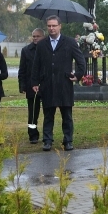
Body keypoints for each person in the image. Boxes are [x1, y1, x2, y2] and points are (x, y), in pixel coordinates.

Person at [30, 15, 86, 152]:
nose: (51, 28)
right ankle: (47, 140)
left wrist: (77, 75)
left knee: (67, 115)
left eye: (54, 25)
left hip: (64, 84)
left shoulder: (70, 42)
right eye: (49, 26)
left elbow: (81, 61)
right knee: (48, 115)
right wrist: (35, 82)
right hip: (47, 84)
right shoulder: (42, 44)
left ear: (60, 26)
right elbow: (36, 64)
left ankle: (68, 140)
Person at [18, 28, 44, 144]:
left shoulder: (47, 49)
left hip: (45, 85)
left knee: (48, 112)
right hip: (31, 86)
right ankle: (32, 134)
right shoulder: (26, 50)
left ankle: (48, 134)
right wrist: (22, 86)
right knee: (33, 112)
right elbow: (22, 70)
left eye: (38, 36)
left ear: (43, 37)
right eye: (34, 36)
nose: (35, 38)